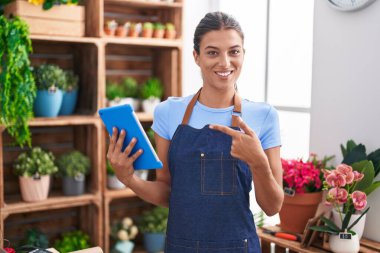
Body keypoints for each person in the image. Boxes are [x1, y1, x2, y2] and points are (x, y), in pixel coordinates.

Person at [107, 11, 283, 253]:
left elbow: (272, 206)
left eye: (234, 51)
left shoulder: (263, 116)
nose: (225, 62)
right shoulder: (168, 112)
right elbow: (167, 192)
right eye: (212, 52)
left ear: (243, 54)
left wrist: (259, 163)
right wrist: (128, 179)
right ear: (196, 57)